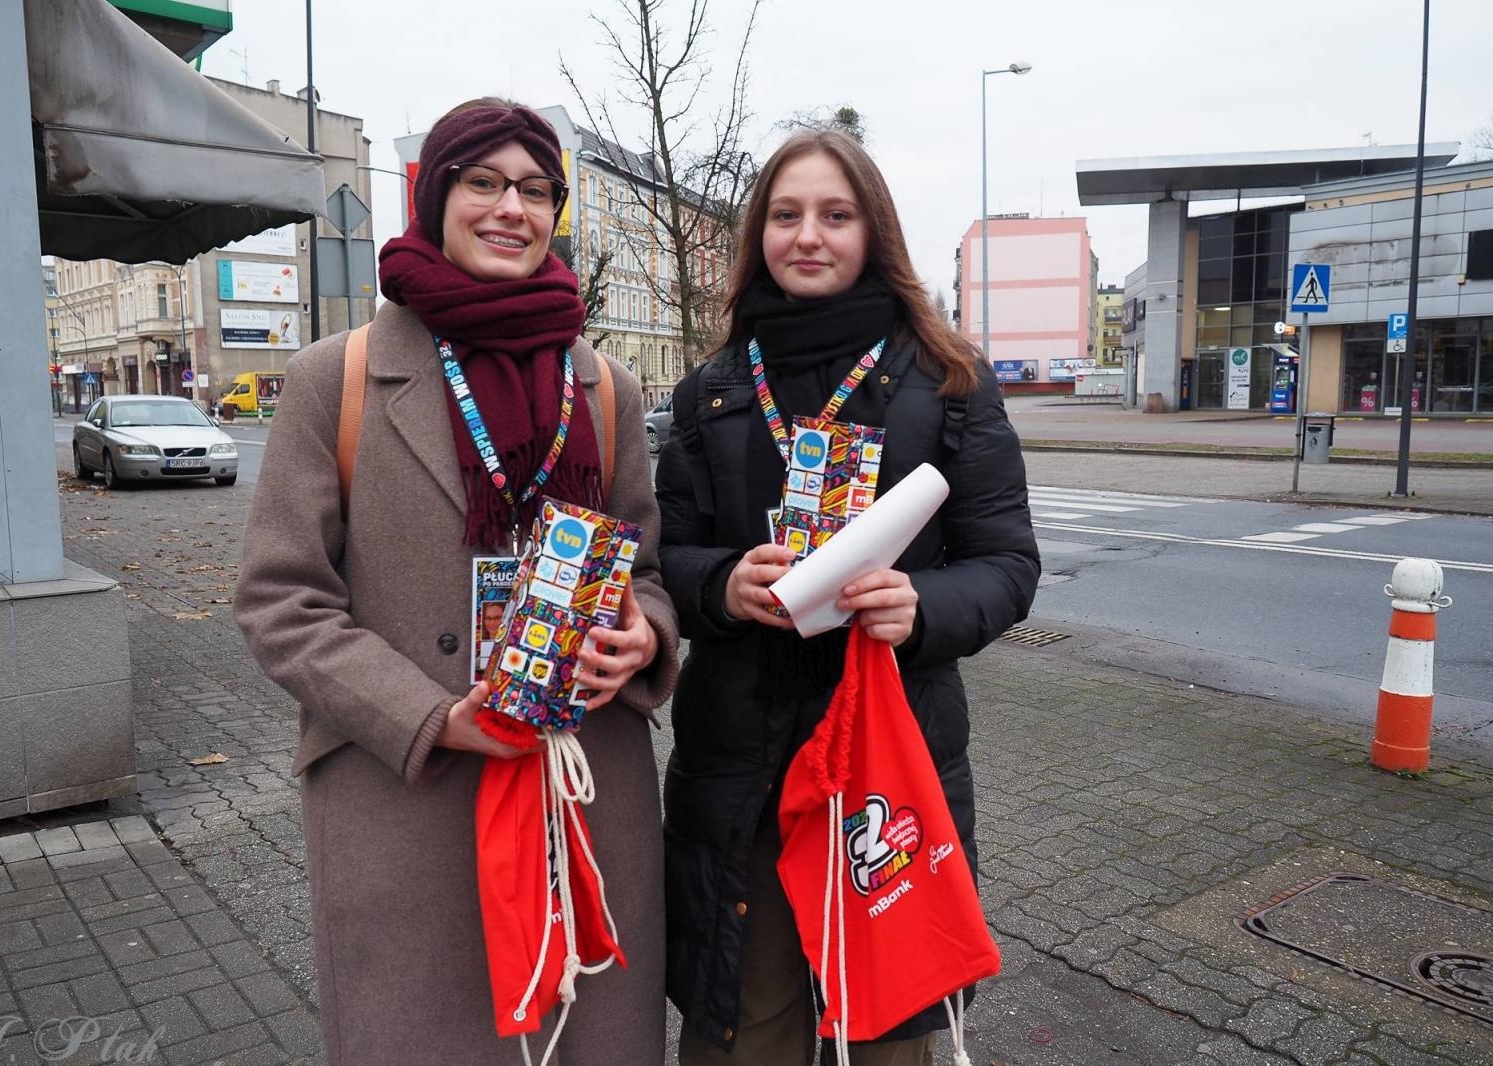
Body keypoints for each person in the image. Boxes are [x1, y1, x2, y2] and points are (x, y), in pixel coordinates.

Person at [235, 99, 678, 1065]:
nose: (509, 208)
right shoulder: (335, 378)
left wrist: (644, 635)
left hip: (580, 785)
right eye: (482, 182)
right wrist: (432, 719)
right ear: (435, 195)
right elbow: (281, 600)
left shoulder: (603, 385)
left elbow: (644, 572)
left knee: (586, 1033)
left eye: (533, 189)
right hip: (408, 797)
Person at [656, 130, 1040, 1065]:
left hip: (888, 766)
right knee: (747, 1024)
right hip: (742, 764)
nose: (809, 236)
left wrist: (922, 607)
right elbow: (666, 553)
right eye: (786, 215)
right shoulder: (712, 391)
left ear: (875, 230)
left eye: (836, 214)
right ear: (760, 235)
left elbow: (1006, 564)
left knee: (886, 1031)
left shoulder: (949, 382)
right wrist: (719, 583)